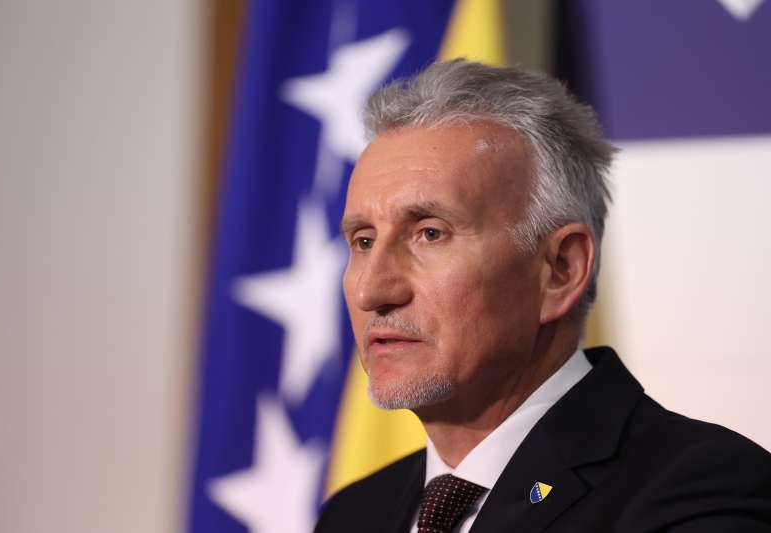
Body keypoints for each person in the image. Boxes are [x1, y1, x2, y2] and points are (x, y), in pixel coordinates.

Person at [315, 59, 771, 533]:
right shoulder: (353, 514)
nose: (372, 290)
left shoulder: (703, 491)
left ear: (560, 270)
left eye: (431, 233)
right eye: (363, 241)